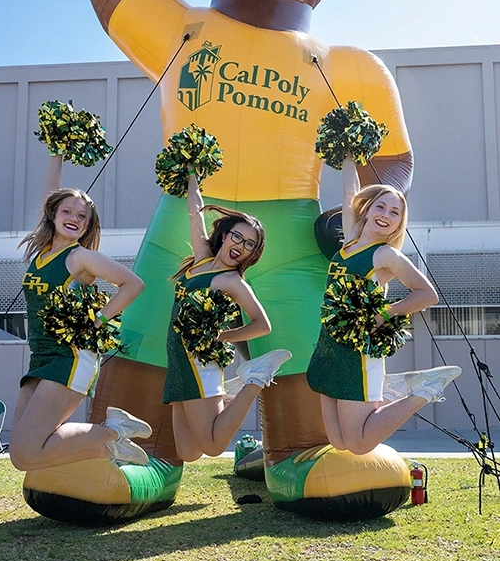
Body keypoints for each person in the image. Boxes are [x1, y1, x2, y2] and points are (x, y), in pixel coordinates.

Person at [307, 154, 461, 455]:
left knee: (359, 444)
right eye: (381, 206)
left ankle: (424, 390)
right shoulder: (350, 241)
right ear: (366, 210)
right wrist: (349, 153)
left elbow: (427, 294)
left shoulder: (386, 256)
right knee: (339, 443)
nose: (386, 215)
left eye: (395, 213)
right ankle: (394, 390)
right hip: (328, 345)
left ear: (397, 225)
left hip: (359, 351)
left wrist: (384, 314)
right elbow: (349, 192)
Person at [10, 153, 151, 471]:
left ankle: (113, 432)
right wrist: (57, 153)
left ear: (88, 225)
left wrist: (98, 319)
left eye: (82, 216)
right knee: (21, 456)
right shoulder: (45, 251)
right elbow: (50, 192)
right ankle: (110, 444)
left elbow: (133, 283)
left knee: (29, 452)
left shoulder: (81, 257)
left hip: (71, 356)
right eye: (67, 211)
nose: (73, 218)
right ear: (53, 214)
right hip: (42, 355)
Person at [164, 167, 292, 461]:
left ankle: (255, 379)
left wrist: (221, 336)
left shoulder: (233, 282)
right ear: (224, 235)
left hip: (199, 362)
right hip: (178, 359)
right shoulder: (201, 259)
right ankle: (228, 397)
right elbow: (195, 212)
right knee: (188, 452)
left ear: (251, 254)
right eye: (238, 237)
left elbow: (263, 325)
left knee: (212, 447)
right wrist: (192, 172)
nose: (241, 246)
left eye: (250, 245)